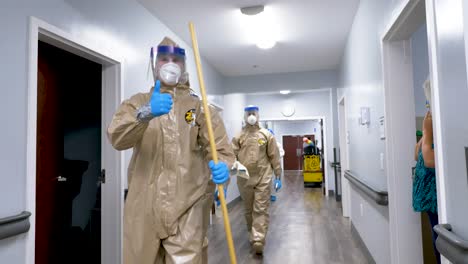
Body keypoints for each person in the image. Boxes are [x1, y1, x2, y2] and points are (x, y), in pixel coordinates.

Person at [107, 37, 235, 264]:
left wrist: (223, 166)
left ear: (184, 66)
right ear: (154, 63)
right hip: (143, 206)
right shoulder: (138, 102)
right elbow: (117, 138)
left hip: (189, 205)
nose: (170, 63)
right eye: (164, 58)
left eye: (176, 59)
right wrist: (145, 113)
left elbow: (221, 149)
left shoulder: (199, 107)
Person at [232, 105, 282, 255]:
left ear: (258, 115)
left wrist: (278, 175)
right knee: (248, 209)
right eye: (249, 114)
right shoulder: (238, 136)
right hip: (244, 178)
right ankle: (251, 232)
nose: (251, 116)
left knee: (260, 208)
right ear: (245, 116)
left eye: (254, 113)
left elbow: (274, 155)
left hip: (263, 177)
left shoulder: (266, 135)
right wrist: (228, 175)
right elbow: (231, 156)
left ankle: (258, 239)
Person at [413, 78, 440, 264]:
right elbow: (421, 157)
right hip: (430, 196)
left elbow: (424, 157)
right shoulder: (431, 122)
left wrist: (427, 132)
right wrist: (426, 130)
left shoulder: (435, 121)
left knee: (439, 239)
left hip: (433, 195)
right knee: (439, 240)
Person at [267, 128, 284, 202]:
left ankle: (272, 195)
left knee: (274, 180)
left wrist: (275, 156)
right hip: (264, 167)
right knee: (265, 182)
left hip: (274, 165)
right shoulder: (261, 144)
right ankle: (265, 196)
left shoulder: (277, 144)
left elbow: (282, 153)